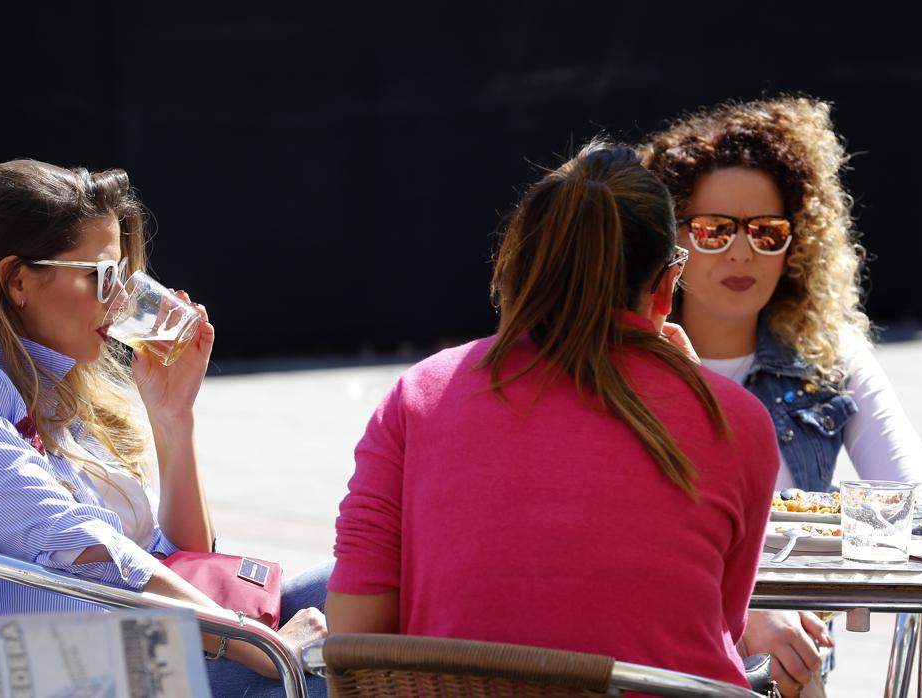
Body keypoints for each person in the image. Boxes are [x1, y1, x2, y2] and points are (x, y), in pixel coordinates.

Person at [0, 159, 328, 697]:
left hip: (130, 650)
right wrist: (260, 646)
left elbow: (180, 558)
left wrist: (173, 421)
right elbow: (81, 549)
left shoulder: (47, 386)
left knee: (377, 581)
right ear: (17, 278)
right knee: (360, 645)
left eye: (122, 277)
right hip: (57, 672)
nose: (118, 301)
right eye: (101, 277)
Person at [325, 141, 780, 688]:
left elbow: (355, 638)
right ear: (664, 285)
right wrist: (696, 392)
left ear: (520, 269)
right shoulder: (735, 420)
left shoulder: (419, 395)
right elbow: (720, 627)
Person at [642, 95, 922, 697]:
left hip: (788, 661)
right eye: (714, 230)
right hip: (658, 650)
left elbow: (918, 508)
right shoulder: (626, 356)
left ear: (796, 244)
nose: (741, 251)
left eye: (767, 231)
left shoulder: (831, 353)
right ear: (669, 240)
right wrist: (745, 607)